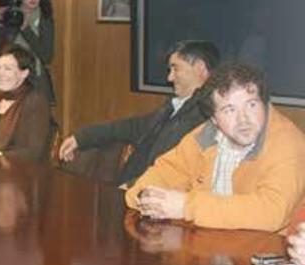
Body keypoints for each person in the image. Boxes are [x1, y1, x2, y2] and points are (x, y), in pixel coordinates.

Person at [125, 62, 305, 232]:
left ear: (265, 104)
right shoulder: (204, 137)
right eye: (229, 110)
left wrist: (186, 206)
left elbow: (271, 213)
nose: (244, 119)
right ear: (214, 119)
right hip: (208, 246)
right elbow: (163, 174)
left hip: (267, 252)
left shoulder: (288, 143)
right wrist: (146, 197)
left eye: (251, 105)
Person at [59, 40, 220, 185]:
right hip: (130, 189)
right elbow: (132, 127)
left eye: (175, 68)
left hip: (148, 198)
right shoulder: (175, 106)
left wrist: (132, 187)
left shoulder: (205, 116)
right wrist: (81, 137)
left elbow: (172, 171)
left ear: (200, 68)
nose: (170, 78)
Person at [0, 0, 55, 103]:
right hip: (7, 79)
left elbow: (47, 57)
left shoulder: (44, 18)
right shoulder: (10, 15)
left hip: (35, 81)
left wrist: (25, 28)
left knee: (36, 117)